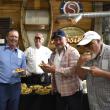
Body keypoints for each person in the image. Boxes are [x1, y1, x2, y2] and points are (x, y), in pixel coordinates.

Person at [40, 29, 83, 110]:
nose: (58, 42)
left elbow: (72, 71)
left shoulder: (73, 52)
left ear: (66, 39)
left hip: (73, 92)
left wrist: (55, 69)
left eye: (60, 39)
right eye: (56, 40)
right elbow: (53, 72)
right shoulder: (53, 54)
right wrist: (45, 69)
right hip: (60, 92)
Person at [76, 31, 110, 110]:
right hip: (93, 103)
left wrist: (101, 73)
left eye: (90, 44)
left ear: (99, 41)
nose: (87, 48)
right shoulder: (87, 57)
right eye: (85, 45)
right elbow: (81, 77)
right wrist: (79, 63)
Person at [0, 29, 26, 110]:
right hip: (1, 86)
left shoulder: (22, 54)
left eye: (16, 37)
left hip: (15, 87)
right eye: (11, 36)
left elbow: (24, 72)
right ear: (7, 38)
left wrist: (23, 72)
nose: (14, 38)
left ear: (18, 39)